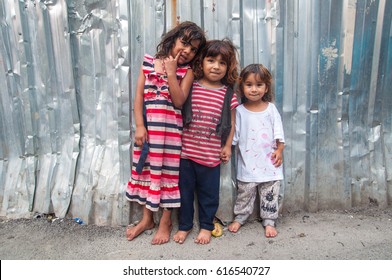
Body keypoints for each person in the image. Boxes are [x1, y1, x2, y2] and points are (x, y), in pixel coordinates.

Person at [125, 21, 206, 245]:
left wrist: (172, 73)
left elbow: (179, 101)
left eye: (193, 49)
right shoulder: (149, 63)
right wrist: (140, 126)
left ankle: (166, 221)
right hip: (149, 134)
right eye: (184, 43)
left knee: (168, 176)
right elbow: (139, 97)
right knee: (148, 172)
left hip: (170, 137)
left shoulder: (186, 72)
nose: (187, 51)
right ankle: (147, 219)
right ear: (173, 39)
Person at [173, 39, 239, 245]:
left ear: (228, 67)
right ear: (201, 62)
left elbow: (233, 124)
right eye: (211, 60)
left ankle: (206, 226)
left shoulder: (228, 95)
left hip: (211, 157)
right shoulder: (191, 86)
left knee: (209, 195)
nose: (216, 66)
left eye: (222, 63)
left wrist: (227, 146)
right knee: (184, 194)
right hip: (186, 154)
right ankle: (184, 225)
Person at [228, 64, 285, 238]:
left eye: (259, 85)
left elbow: (279, 133)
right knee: (245, 192)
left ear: (266, 87)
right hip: (248, 163)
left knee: (270, 194)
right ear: (242, 87)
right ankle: (241, 217)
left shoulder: (271, 109)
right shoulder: (239, 111)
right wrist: (226, 148)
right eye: (249, 85)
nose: (254, 89)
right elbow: (234, 136)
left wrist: (280, 150)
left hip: (269, 163)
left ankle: (269, 221)